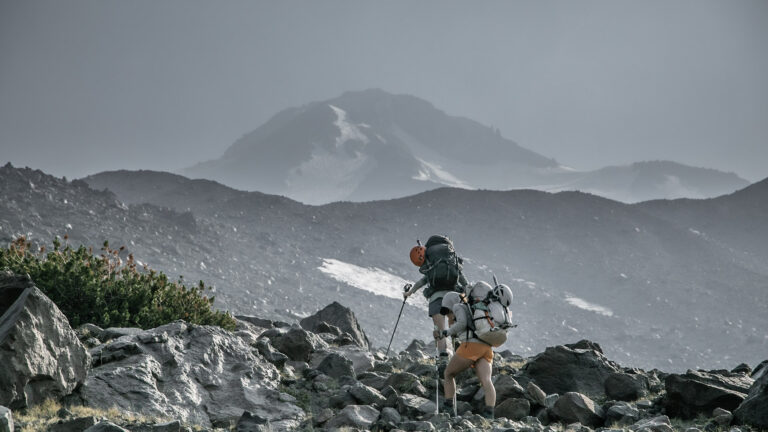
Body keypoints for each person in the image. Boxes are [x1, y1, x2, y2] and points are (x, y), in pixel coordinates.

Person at [435, 282, 502, 419]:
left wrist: (444, 333)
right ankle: (489, 414)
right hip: (486, 348)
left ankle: (449, 410)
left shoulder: (458, 306)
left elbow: (462, 324)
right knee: (486, 381)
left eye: (448, 311)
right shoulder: (473, 308)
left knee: (448, 373)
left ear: (450, 304)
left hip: (471, 346)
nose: (448, 315)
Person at [404, 235, 468, 360]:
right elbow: (461, 278)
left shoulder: (430, 261)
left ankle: (443, 356)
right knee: (453, 323)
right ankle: (458, 352)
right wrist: (468, 289)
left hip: (436, 298)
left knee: (439, 328)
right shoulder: (450, 259)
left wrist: (409, 292)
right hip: (453, 296)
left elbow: (423, 281)